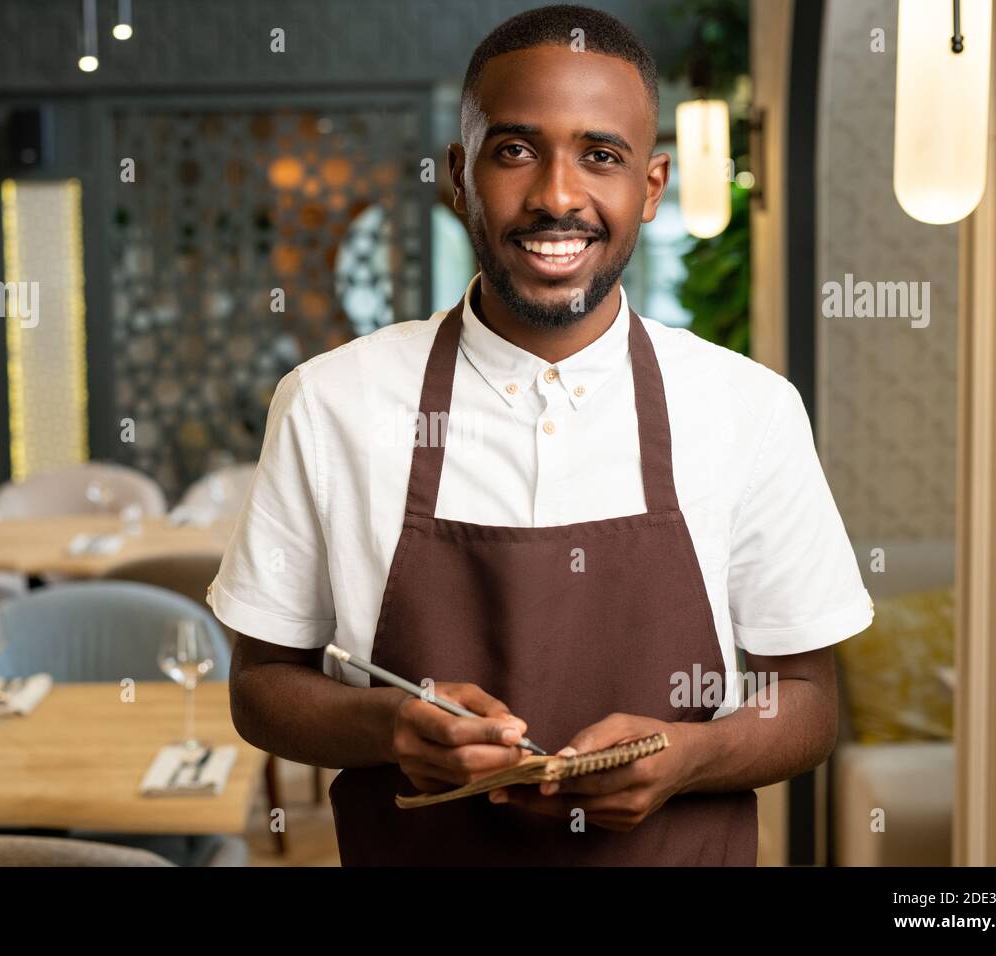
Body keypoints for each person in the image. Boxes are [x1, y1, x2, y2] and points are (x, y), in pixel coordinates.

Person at [210, 3, 873, 865]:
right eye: (515, 151)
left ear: (653, 184)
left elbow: (808, 699)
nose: (558, 196)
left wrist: (691, 756)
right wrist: (391, 725)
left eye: (602, 156)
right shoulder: (330, 402)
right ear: (458, 174)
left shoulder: (749, 408)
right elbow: (261, 687)